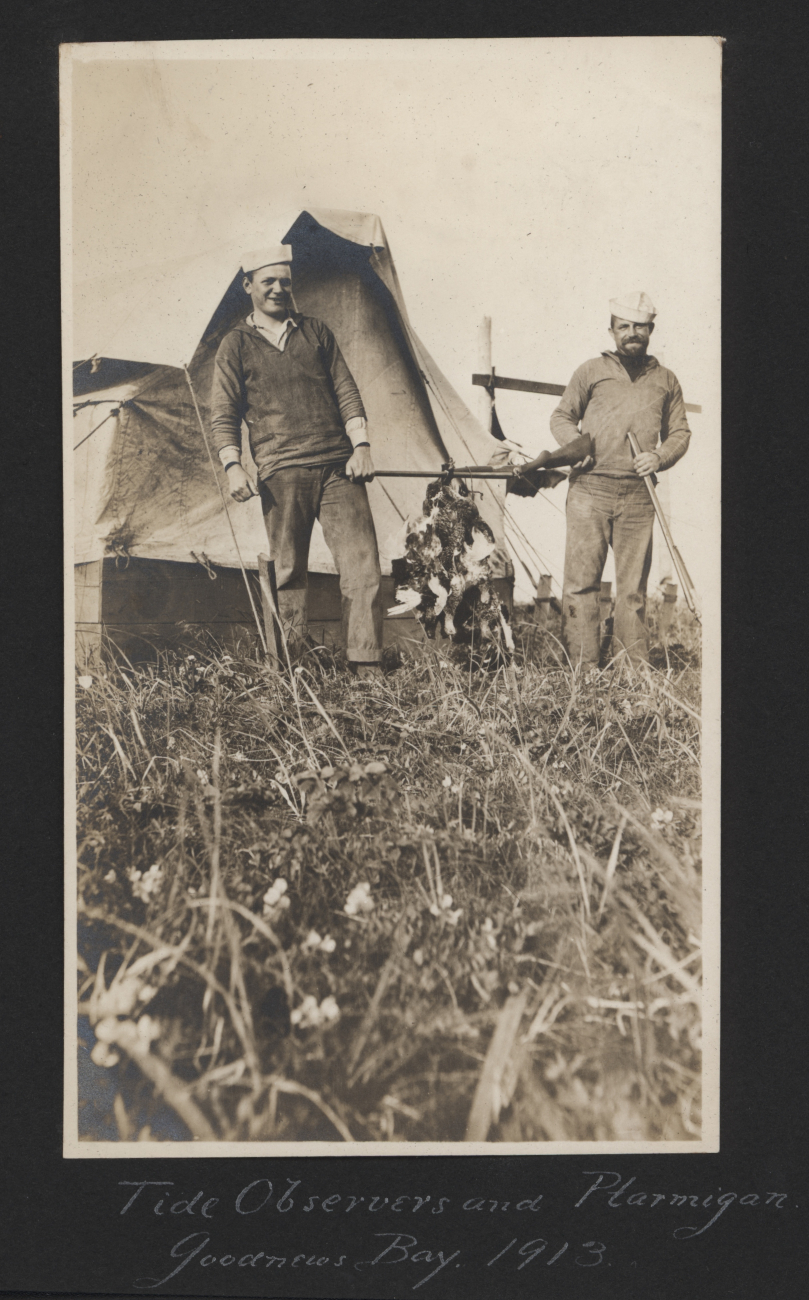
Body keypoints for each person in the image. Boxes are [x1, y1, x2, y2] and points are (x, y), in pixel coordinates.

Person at [210, 245, 384, 678]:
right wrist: (233, 465)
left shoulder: (316, 333)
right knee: (288, 571)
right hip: (280, 472)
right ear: (248, 285)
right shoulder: (235, 345)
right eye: (267, 280)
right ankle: (292, 669)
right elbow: (224, 413)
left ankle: (366, 666)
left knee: (362, 566)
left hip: (339, 468)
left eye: (284, 281)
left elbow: (346, 390)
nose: (277, 289)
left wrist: (360, 446)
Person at [550, 291, 692, 666]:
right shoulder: (590, 372)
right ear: (611, 330)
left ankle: (631, 675)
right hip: (589, 491)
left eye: (639, 326)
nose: (632, 333)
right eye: (624, 326)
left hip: (638, 495)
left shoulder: (666, 380)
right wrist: (575, 446)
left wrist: (658, 456)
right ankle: (583, 672)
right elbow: (561, 417)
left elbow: (680, 433)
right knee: (581, 585)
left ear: (651, 329)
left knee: (632, 592)